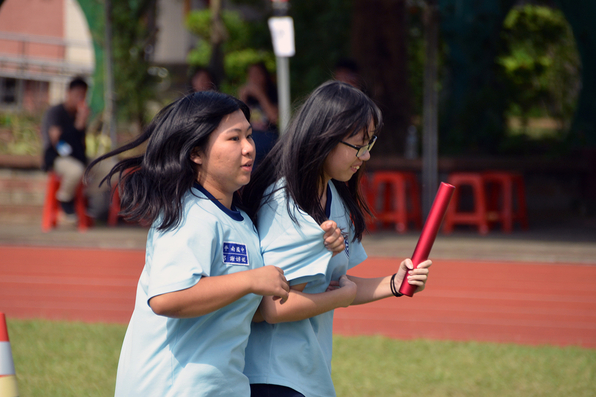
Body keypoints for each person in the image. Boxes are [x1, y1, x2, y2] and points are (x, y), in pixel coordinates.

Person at [84, 91, 343, 396]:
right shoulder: (188, 213)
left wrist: (319, 246)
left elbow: (252, 309)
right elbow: (167, 298)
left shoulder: (242, 222)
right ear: (196, 152)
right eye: (234, 139)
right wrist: (250, 280)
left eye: (249, 136)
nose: (249, 149)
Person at [242, 80, 432, 397]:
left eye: (370, 144)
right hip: (274, 377)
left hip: (307, 373)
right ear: (324, 137)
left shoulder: (332, 195)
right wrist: (339, 299)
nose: (366, 156)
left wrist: (395, 284)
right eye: (359, 144)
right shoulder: (284, 204)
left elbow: (337, 282)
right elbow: (274, 308)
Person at [40, 76, 90, 223]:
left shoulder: (80, 114)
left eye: (83, 95)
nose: (80, 98)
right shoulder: (55, 112)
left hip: (77, 157)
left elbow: (81, 143)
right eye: (77, 95)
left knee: (106, 168)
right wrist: (78, 125)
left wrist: (82, 123)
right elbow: (58, 142)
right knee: (76, 170)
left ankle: (86, 199)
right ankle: (65, 198)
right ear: (68, 93)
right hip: (57, 157)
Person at [238, 62, 279, 168]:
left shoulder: (273, 94)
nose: (254, 78)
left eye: (258, 74)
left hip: (268, 136)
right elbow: (238, 121)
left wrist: (260, 94)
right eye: (251, 75)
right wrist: (242, 99)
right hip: (250, 136)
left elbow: (274, 118)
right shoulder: (246, 96)